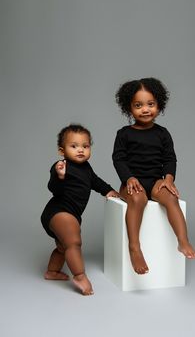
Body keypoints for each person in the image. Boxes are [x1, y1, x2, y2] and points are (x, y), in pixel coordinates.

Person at [112, 77, 195, 275]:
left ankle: (183, 241)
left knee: (171, 197)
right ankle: (134, 247)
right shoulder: (124, 134)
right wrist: (129, 178)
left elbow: (170, 158)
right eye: (138, 105)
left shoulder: (163, 133)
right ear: (129, 108)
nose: (145, 109)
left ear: (159, 104)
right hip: (131, 182)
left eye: (150, 104)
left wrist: (168, 179)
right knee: (137, 198)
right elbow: (118, 159)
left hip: (154, 180)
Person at [41, 124, 119, 295]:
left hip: (71, 214)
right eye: (74, 146)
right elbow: (53, 188)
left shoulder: (87, 168)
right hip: (58, 211)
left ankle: (52, 271)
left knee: (63, 247)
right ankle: (80, 275)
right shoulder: (61, 166)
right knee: (74, 242)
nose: (80, 150)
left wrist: (109, 191)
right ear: (62, 150)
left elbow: (96, 182)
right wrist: (59, 176)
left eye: (85, 146)